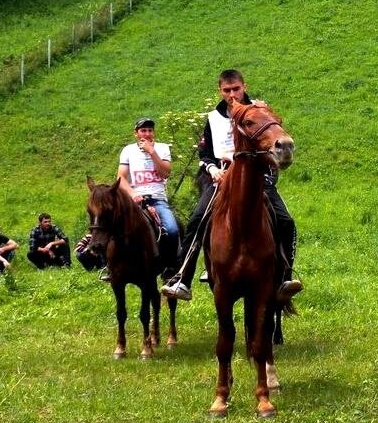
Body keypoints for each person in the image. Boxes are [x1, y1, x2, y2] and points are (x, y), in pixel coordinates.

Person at [162, 69, 301, 302]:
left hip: (257, 178)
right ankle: (182, 277)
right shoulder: (213, 118)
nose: (232, 94)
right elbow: (205, 154)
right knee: (197, 220)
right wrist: (213, 170)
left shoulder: (259, 110)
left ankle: (285, 275)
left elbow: (273, 145)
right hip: (221, 179)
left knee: (286, 221)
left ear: (244, 86)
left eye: (236, 88)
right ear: (220, 90)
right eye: (227, 90)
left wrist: (268, 174)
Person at [117, 117, 179, 257]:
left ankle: (172, 265)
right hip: (134, 201)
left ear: (154, 133)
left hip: (158, 200)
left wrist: (152, 152)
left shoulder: (162, 148)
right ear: (136, 133)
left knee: (172, 230)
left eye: (150, 130)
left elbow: (164, 174)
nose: (146, 134)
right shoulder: (128, 150)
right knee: (112, 227)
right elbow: (120, 178)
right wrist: (133, 194)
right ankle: (110, 266)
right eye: (143, 130)